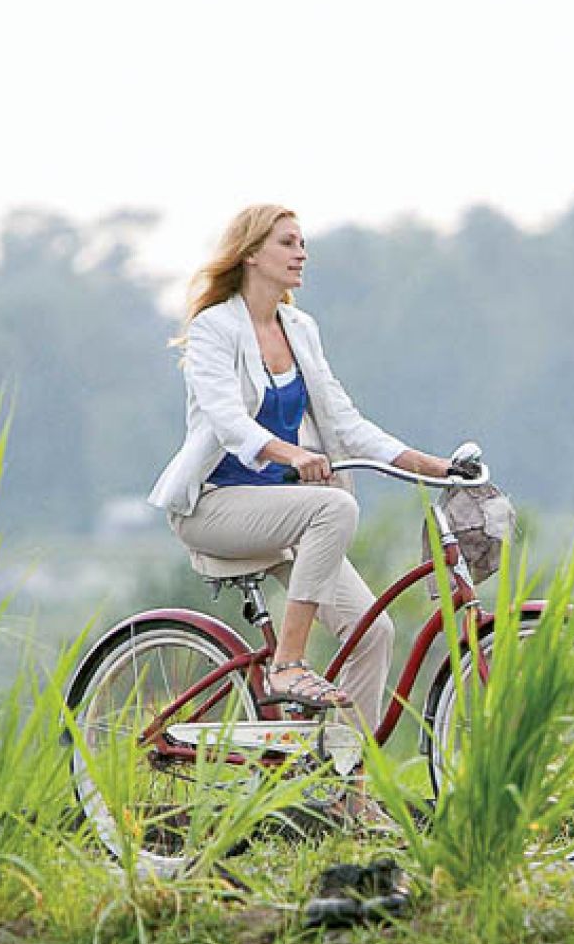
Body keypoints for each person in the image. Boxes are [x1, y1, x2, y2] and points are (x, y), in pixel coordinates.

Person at [148, 204, 450, 798]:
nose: (301, 253)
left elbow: (346, 423)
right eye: (288, 242)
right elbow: (229, 420)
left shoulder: (301, 329)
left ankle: (347, 801)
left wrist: (430, 465)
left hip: (281, 515)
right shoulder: (214, 329)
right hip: (214, 507)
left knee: (372, 633)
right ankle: (287, 663)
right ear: (251, 253)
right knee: (332, 506)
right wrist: (291, 455)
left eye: (303, 242)